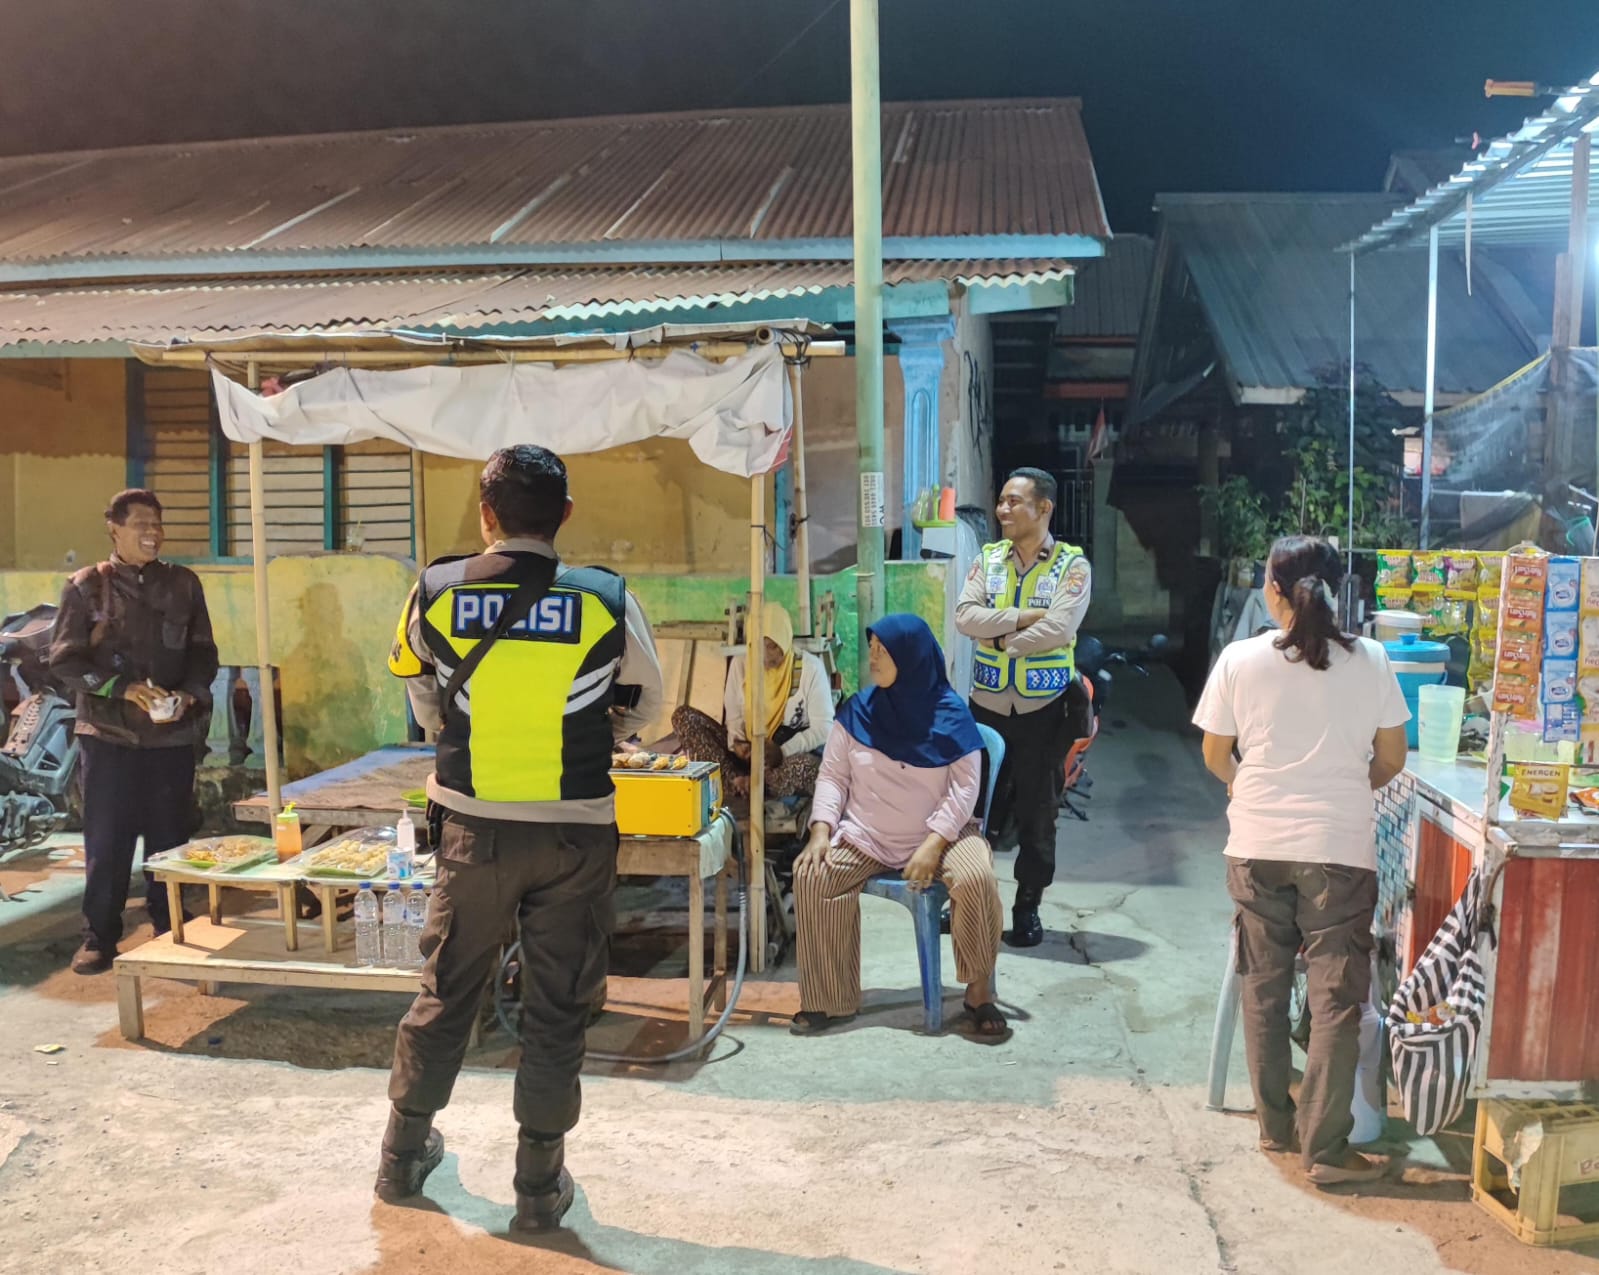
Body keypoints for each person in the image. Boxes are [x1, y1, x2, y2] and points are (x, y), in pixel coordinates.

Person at [378, 445, 664, 1231]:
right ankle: (538, 1185)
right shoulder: (604, 598)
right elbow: (647, 702)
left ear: (485, 513)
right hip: (575, 832)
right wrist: (595, 732)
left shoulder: (436, 589)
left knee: (447, 986)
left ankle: (401, 1154)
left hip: (472, 829)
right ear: (564, 513)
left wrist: (463, 733)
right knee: (558, 1001)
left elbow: (421, 691)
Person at [1194, 535, 1408, 1187]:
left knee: (1263, 983)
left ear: (1273, 591)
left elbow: (1215, 755)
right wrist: (1340, 789)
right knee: (1335, 998)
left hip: (1256, 846)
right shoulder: (1371, 659)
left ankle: (1274, 1126)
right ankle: (1325, 1150)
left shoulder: (1239, 659)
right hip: (1338, 852)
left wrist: (1250, 786)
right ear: (1338, 591)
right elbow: (1391, 758)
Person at [791, 614, 1007, 1041]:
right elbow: (832, 776)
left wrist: (934, 842)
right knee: (813, 874)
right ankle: (828, 998)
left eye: (883, 650)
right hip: (868, 835)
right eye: (871, 648)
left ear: (911, 657)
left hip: (941, 835)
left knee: (976, 877)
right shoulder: (858, 713)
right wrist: (820, 830)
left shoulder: (952, 716)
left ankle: (979, 992)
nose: (872, 657)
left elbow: (965, 789)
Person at [47, 489, 218, 975]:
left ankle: (170, 926)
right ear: (114, 529)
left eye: (158, 524)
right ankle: (99, 937)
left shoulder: (183, 584)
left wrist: (189, 693)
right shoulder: (86, 586)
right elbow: (64, 660)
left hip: (171, 738)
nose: (153, 533)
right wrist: (121, 689)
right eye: (141, 524)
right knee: (108, 842)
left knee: (171, 839)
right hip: (108, 738)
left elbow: (204, 653)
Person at [954, 468, 1090, 948]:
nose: (1002, 510)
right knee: (973, 808)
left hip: (1044, 710)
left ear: (1044, 508)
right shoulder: (988, 559)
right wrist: (1023, 618)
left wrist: (1000, 639)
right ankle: (967, 900)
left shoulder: (1072, 566)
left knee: (1037, 813)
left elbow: (1061, 627)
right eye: (1002, 501)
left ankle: (1026, 907)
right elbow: (964, 616)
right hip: (986, 705)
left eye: (1014, 502)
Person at [672, 600, 833, 800]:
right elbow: (734, 717)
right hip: (748, 760)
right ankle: (737, 782)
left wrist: (782, 751)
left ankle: (753, 786)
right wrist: (738, 744)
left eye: (772, 646)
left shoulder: (810, 668)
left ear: (785, 641)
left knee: (804, 767)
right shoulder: (741, 665)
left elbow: (824, 728)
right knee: (684, 717)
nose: (765, 656)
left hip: (786, 759)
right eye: (758, 647)